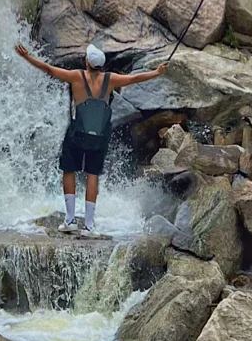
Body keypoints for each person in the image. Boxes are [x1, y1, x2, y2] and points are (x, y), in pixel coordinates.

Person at [15, 40, 168, 236]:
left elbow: (48, 69)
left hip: (77, 132)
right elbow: (134, 79)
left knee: (69, 170)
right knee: (92, 175)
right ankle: (89, 225)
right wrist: (156, 72)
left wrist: (27, 56)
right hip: (100, 135)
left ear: (87, 62)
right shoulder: (110, 79)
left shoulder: (76, 77)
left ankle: (70, 220)